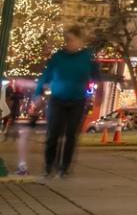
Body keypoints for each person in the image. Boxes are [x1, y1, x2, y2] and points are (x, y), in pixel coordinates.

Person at [35, 26, 100, 179]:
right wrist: (38, 93)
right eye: (66, 40)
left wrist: (98, 94)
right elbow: (46, 76)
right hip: (57, 100)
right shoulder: (58, 57)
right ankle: (49, 165)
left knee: (71, 136)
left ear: (79, 41)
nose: (68, 43)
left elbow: (96, 76)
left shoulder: (87, 57)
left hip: (77, 101)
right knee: (53, 134)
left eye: (71, 40)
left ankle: (64, 167)